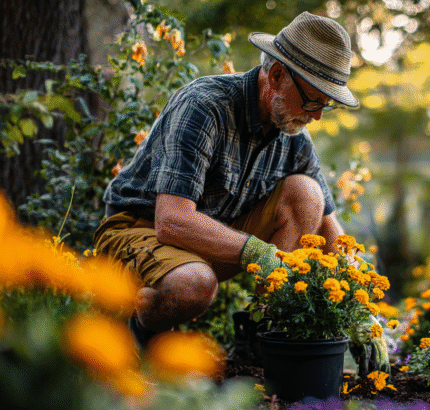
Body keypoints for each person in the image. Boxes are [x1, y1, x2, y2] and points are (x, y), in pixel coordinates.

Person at [94, 12, 359, 347]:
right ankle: (136, 329)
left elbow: (331, 231)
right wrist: (259, 254)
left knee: (307, 193)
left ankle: (264, 333)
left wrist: (362, 309)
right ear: (277, 75)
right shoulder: (204, 106)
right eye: (312, 100)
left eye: (326, 105)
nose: (318, 115)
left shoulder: (292, 133)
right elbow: (171, 221)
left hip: (207, 241)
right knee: (193, 283)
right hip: (139, 229)